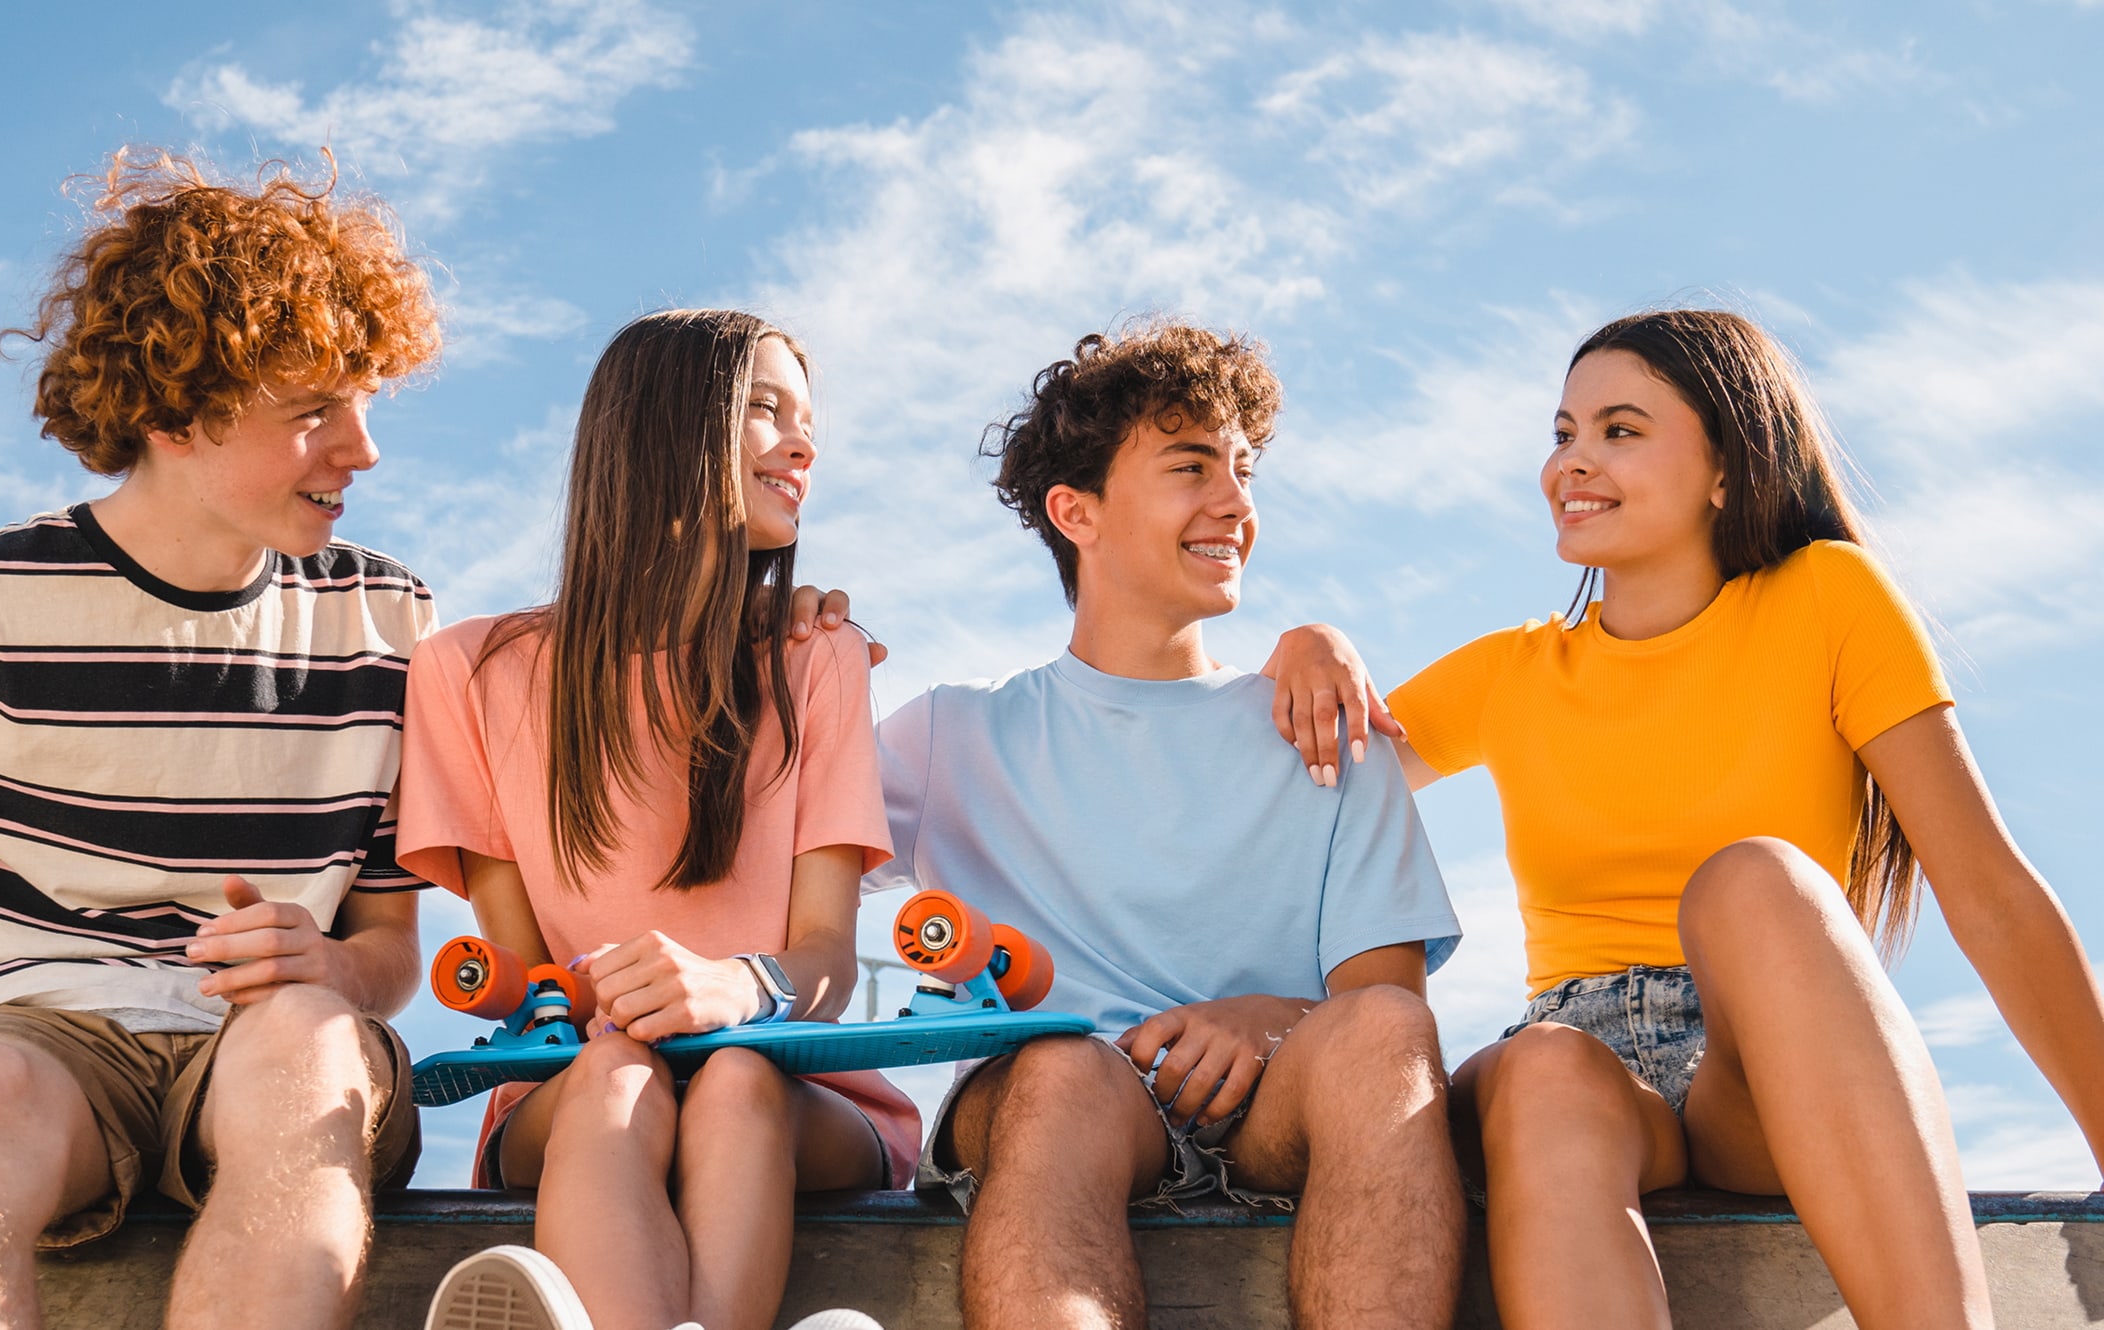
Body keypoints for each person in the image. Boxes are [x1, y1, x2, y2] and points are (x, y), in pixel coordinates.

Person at [0, 149, 444, 1329]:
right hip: (26, 1032)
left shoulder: (392, 629)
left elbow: (391, 934)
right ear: (171, 408)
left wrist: (345, 969)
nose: (362, 449)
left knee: (312, 1045)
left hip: (265, 1038)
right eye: (314, 412)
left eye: (364, 404)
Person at [1265, 308, 2104, 1329]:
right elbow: (1289, 796)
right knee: (1540, 1071)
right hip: (1577, 1057)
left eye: (1620, 430)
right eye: (1564, 432)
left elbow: (1993, 892)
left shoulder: (1829, 600)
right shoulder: (1512, 672)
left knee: (1757, 878)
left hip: (1767, 1060)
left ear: (1727, 469)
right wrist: (1310, 641)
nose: (1572, 461)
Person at [866, 322, 1467, 1330]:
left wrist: (1267, 1017)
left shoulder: (1320, 720)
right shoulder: (948, 734)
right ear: (1077, 511)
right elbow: (770, 835)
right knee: (1062, 1073)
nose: (1235, 503)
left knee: (1385, 1033)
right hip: (1052, 1113)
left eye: (1242, 470)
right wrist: (802, 650)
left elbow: (1386, 1000)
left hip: (1274, 1110)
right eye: (1193, 467)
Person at [396, 309, 917, 1330]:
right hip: (573, 1090)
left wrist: (739, 985)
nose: (804, 445)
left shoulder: (820, 658)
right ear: (661, 430)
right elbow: (531, 991)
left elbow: (827, 958)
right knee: (611, 1075)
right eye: (763, 411)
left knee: (734, 1077)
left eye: (807, 419)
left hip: (806, 1093)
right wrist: (615, 1015)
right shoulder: (469, 673)